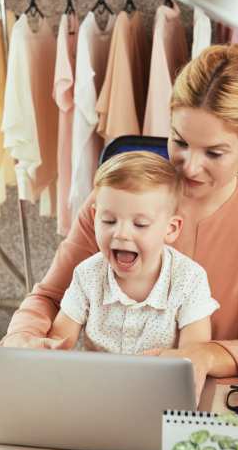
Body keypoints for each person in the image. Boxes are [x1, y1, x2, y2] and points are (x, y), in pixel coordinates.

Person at [1, 43, 238, 396]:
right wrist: (22, 336)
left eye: (214, 153)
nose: (189, 166)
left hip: (210, 398)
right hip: (106, 394)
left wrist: (202, 356)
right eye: (180, 142)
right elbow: (50, 296)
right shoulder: (114, 202)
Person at [44, 151, 218, 355]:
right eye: (108, 221)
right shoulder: (87, 274)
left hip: (161, 384)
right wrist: (48, 349)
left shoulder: (189, 279)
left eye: (140, 224)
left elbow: (193, 358)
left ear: (170, 229)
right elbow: (59, 340)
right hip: (97, 382)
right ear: (94, 218)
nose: (121, 234)